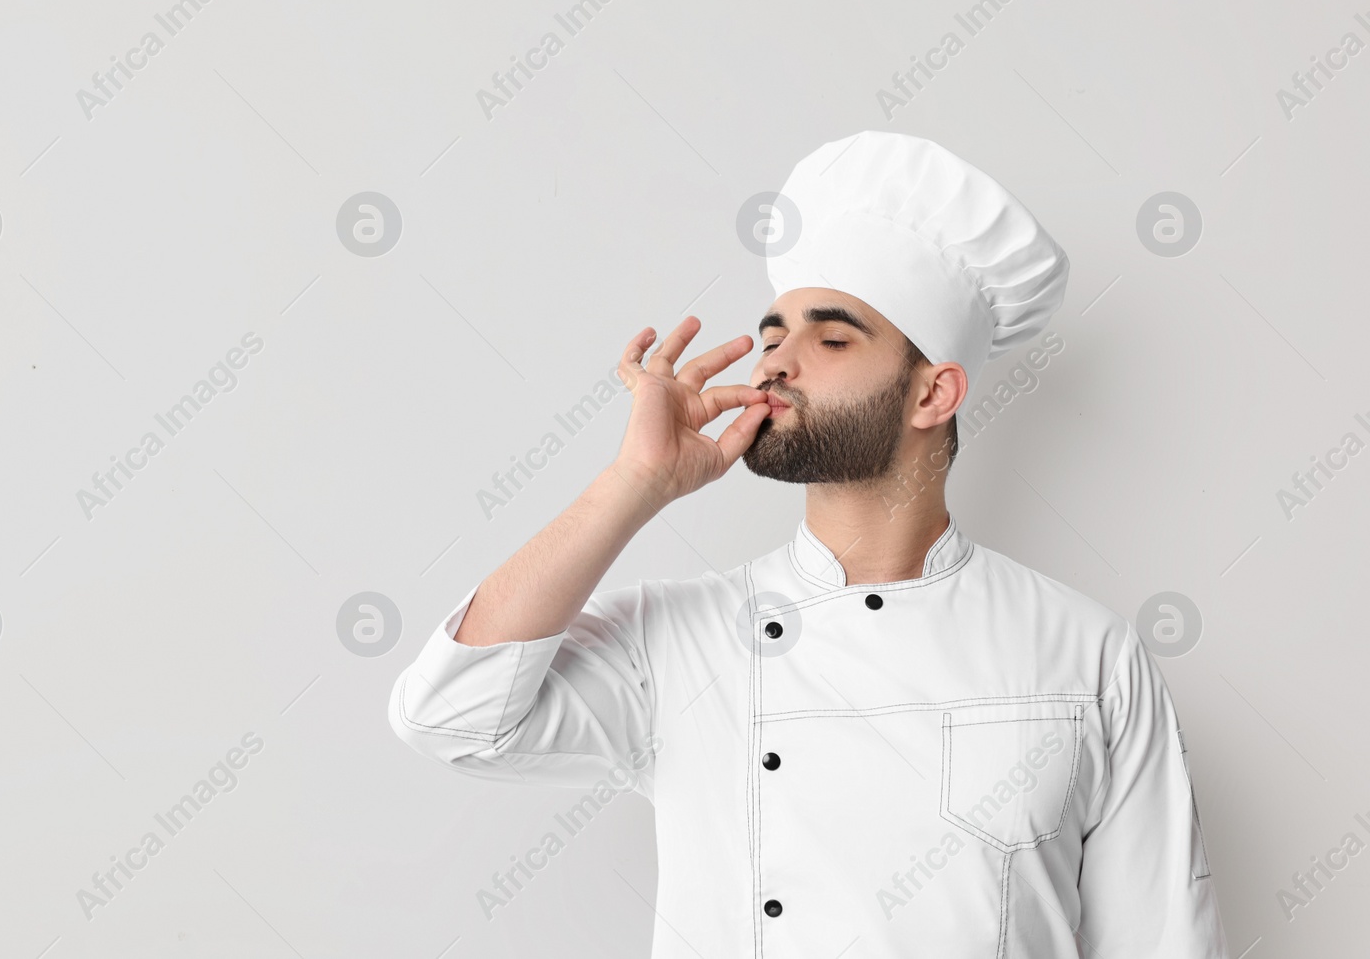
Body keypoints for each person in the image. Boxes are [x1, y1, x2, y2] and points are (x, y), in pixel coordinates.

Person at [387, 130, 1230, 958]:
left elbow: (1164, 939)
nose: (775, 363)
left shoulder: (1088, 656)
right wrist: (633, 484)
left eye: (829, 339)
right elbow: (450, 717)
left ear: (934, 391)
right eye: (770, 336)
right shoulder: (684, 640)